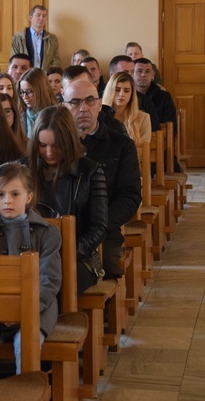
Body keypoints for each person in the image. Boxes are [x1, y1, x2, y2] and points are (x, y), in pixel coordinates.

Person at [0, 162, 61, 374]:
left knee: (26, 344)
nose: (7, 200)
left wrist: (22, 309)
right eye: (0, 194)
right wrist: (0, 309)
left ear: (29, 197)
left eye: (15, 194)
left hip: (37, 309)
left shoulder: (47, 233)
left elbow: (50, 280)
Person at [63, 80, 141, 281]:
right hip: (61, 231)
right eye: (75, 102)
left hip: (105, 230)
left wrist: (98, 226)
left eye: (90, 101)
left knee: (103, 268)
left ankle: (103, 313)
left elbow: (130, 196)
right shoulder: (54, 145)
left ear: (100, 104)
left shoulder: (121, 145)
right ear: (64, 107)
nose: (84, 108)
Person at [26, 106, 108, 295]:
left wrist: (67, 253)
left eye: (56, 145)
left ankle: (37, 323)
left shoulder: (90, 171)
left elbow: (99, 227)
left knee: (51, 282)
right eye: (42, 145)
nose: (49, 152)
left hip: (78, 258)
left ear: (69, 141)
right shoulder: (23, 170)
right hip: (31, 255)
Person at [102, 72, 151, 145]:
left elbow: (144, 150)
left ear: (132, 94)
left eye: (126, 91)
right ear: (110, 91)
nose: (121, 94)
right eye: (117, 90)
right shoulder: (100, 116)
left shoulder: (143, 118)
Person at [10, 5, 60, 70]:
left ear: (46, 20)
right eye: (38, 15)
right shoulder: (18, 38)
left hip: (44, 77)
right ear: (30, 18)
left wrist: (46, 75)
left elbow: (56, 60)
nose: (41, 18)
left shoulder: (53, 39)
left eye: (44, 16)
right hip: (24, 76)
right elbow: (14, 60)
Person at [134, 57, 177, 129]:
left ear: (152, 76)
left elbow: (171, 126)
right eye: (139, 71)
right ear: (132, 74)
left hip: (157, 137)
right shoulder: (127, 95)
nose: (143, 74)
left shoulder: (164, 96)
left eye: (147, 71)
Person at [17, 68, 59, 139]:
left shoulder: (56, 116)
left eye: (29, 91)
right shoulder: (20, 115)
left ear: (41, 90)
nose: (24, 97)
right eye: (22, 92)